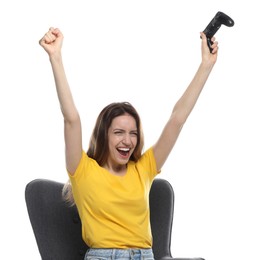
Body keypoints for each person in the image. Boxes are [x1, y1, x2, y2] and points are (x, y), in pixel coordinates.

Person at [39, 27, 218, 260]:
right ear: (104, 135)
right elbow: (71, 119)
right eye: (119, 132)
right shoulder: (82, 170)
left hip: (145, 256)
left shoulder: (143, 169)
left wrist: (206, 65)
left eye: (133, 133)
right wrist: (56, 57)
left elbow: (177, 119)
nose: (127, 140)